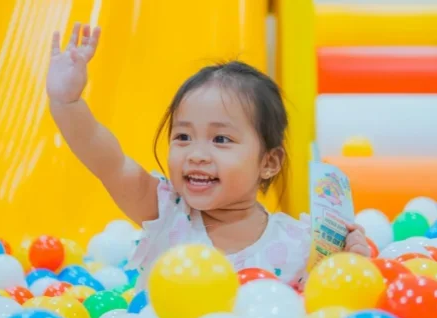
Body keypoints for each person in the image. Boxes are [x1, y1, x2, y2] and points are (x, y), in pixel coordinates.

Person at [47, 23, 371, 289]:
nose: (197, 154)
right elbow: (109, 161)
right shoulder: (165, 211)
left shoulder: (301, 246)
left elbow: (325, 308)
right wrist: (67, 102)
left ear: (269, 162)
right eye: (183, 137)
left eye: (220, 139)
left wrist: (349, 267)